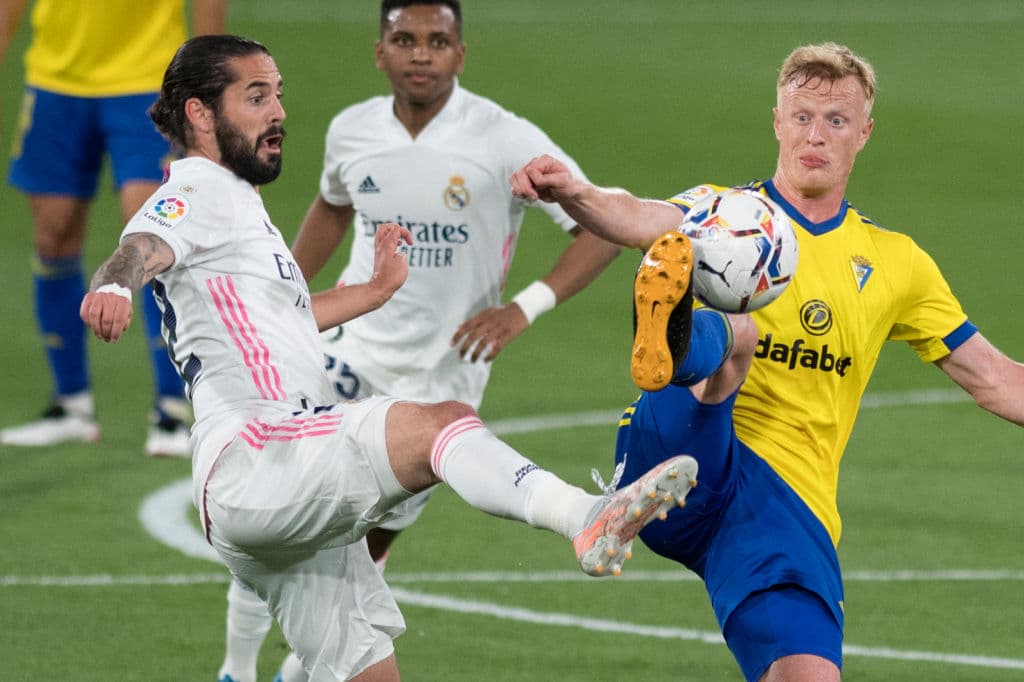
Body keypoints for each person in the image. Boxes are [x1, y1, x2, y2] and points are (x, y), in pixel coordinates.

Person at [80, 34, 698, 681]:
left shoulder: (237, 201)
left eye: (279, 95)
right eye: (256, 97)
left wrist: (373, 291)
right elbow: (142, 243)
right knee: (438, 424)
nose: (279, 112)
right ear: (200, 114)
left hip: (267, 482)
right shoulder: (199, 190)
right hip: (258, 454)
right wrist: (116, 282)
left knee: (371, 672)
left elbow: (279, 320)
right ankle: (583, 516)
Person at [510, 42, 1024, 682]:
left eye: (836, 120)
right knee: (742, 329)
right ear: (778, 122)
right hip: (677, 452)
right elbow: (636, 213)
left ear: (864, 133)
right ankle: (673, 348)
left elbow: (996, 379)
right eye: (802, 117)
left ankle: (678, 347)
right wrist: (574, 192)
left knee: (808, 675)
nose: (816, 135)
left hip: (784, 508)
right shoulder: (724, 215)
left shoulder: (897, 263)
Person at [216, 2, 622, 680]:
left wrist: (522, 309)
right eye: (405, 39)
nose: (421, 54)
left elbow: (602, 227)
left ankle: (299, 669)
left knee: (368, 546)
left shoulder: (504, 137)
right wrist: (283, 301)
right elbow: (333, 207)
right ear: (381, 52)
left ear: (461, 53)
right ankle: (236, 669)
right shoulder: (353, 130)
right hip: (346, 353)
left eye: (438, 41)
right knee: (281, 508)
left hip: (441, 379)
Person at [0, 0, 228, 455]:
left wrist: (205, 81)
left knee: (153, 236)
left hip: (148, 79)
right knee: (53, 236)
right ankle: (71, 405)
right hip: (55, 80)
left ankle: (172, 409)